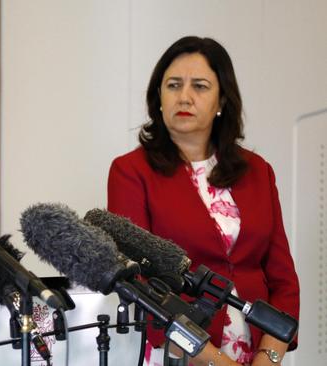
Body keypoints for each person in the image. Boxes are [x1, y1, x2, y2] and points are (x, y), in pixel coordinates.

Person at [107, 36, 299, 366]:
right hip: (181, 353)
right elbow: (138, 286)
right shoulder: (130, 171)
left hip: (257, 351)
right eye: (173, 85)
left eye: (200, 86)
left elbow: (283, 279)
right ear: (159, 98)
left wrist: (269, 356)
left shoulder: (258, 171)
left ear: (221, 100)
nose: (185, 96)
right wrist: (213, 360)